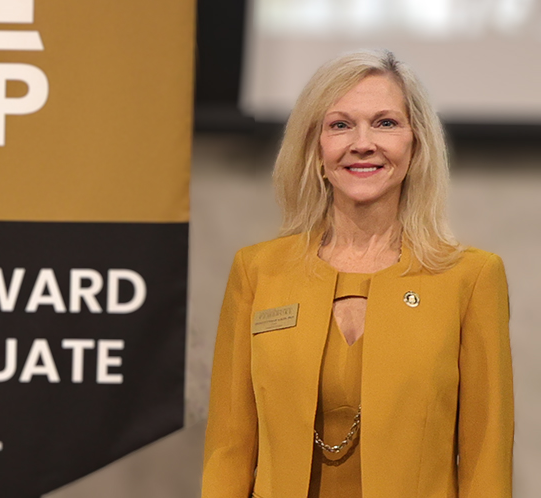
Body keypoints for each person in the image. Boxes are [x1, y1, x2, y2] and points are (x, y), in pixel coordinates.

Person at [201, 50, 513, 498]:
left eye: (385, 123)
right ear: (316, 149)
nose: (362, 143)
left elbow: (487, 459)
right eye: (340, 125)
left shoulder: (471, 277)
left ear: (417, 144)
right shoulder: (257, 271)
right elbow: (228, 450)